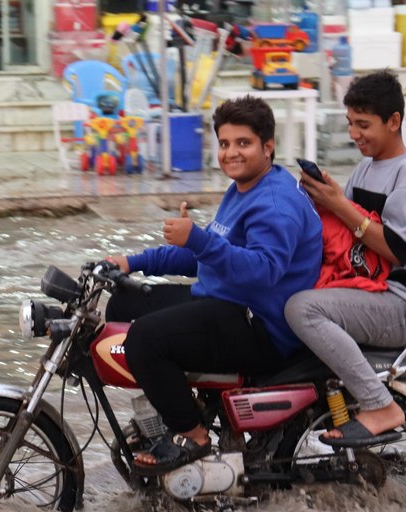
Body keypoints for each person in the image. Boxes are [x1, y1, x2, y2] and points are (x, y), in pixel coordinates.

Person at [105, 95, 322, 475]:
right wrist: (131, 263)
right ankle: (178, 406)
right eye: (224, 144)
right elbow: (205, 254)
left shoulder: (274, 201)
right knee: (122, 304)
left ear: (267, 146)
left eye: (243, 143)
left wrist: (198, 239)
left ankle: (193, 434)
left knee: (144, 339)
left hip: (261, 326)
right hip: (228, 303)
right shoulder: (242, 188)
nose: (231, 153)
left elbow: (264, 270)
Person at [286, 70, 406, 446]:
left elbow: (395, 248)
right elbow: (345, 228)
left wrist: (338, 202)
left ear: (394, 122)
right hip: (367, 288)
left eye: (364, 125)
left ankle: (379, 405)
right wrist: (322, 198)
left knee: (301, 309)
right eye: (351, 124)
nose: (354, 134)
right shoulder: (366, 168)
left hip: (401, 302)